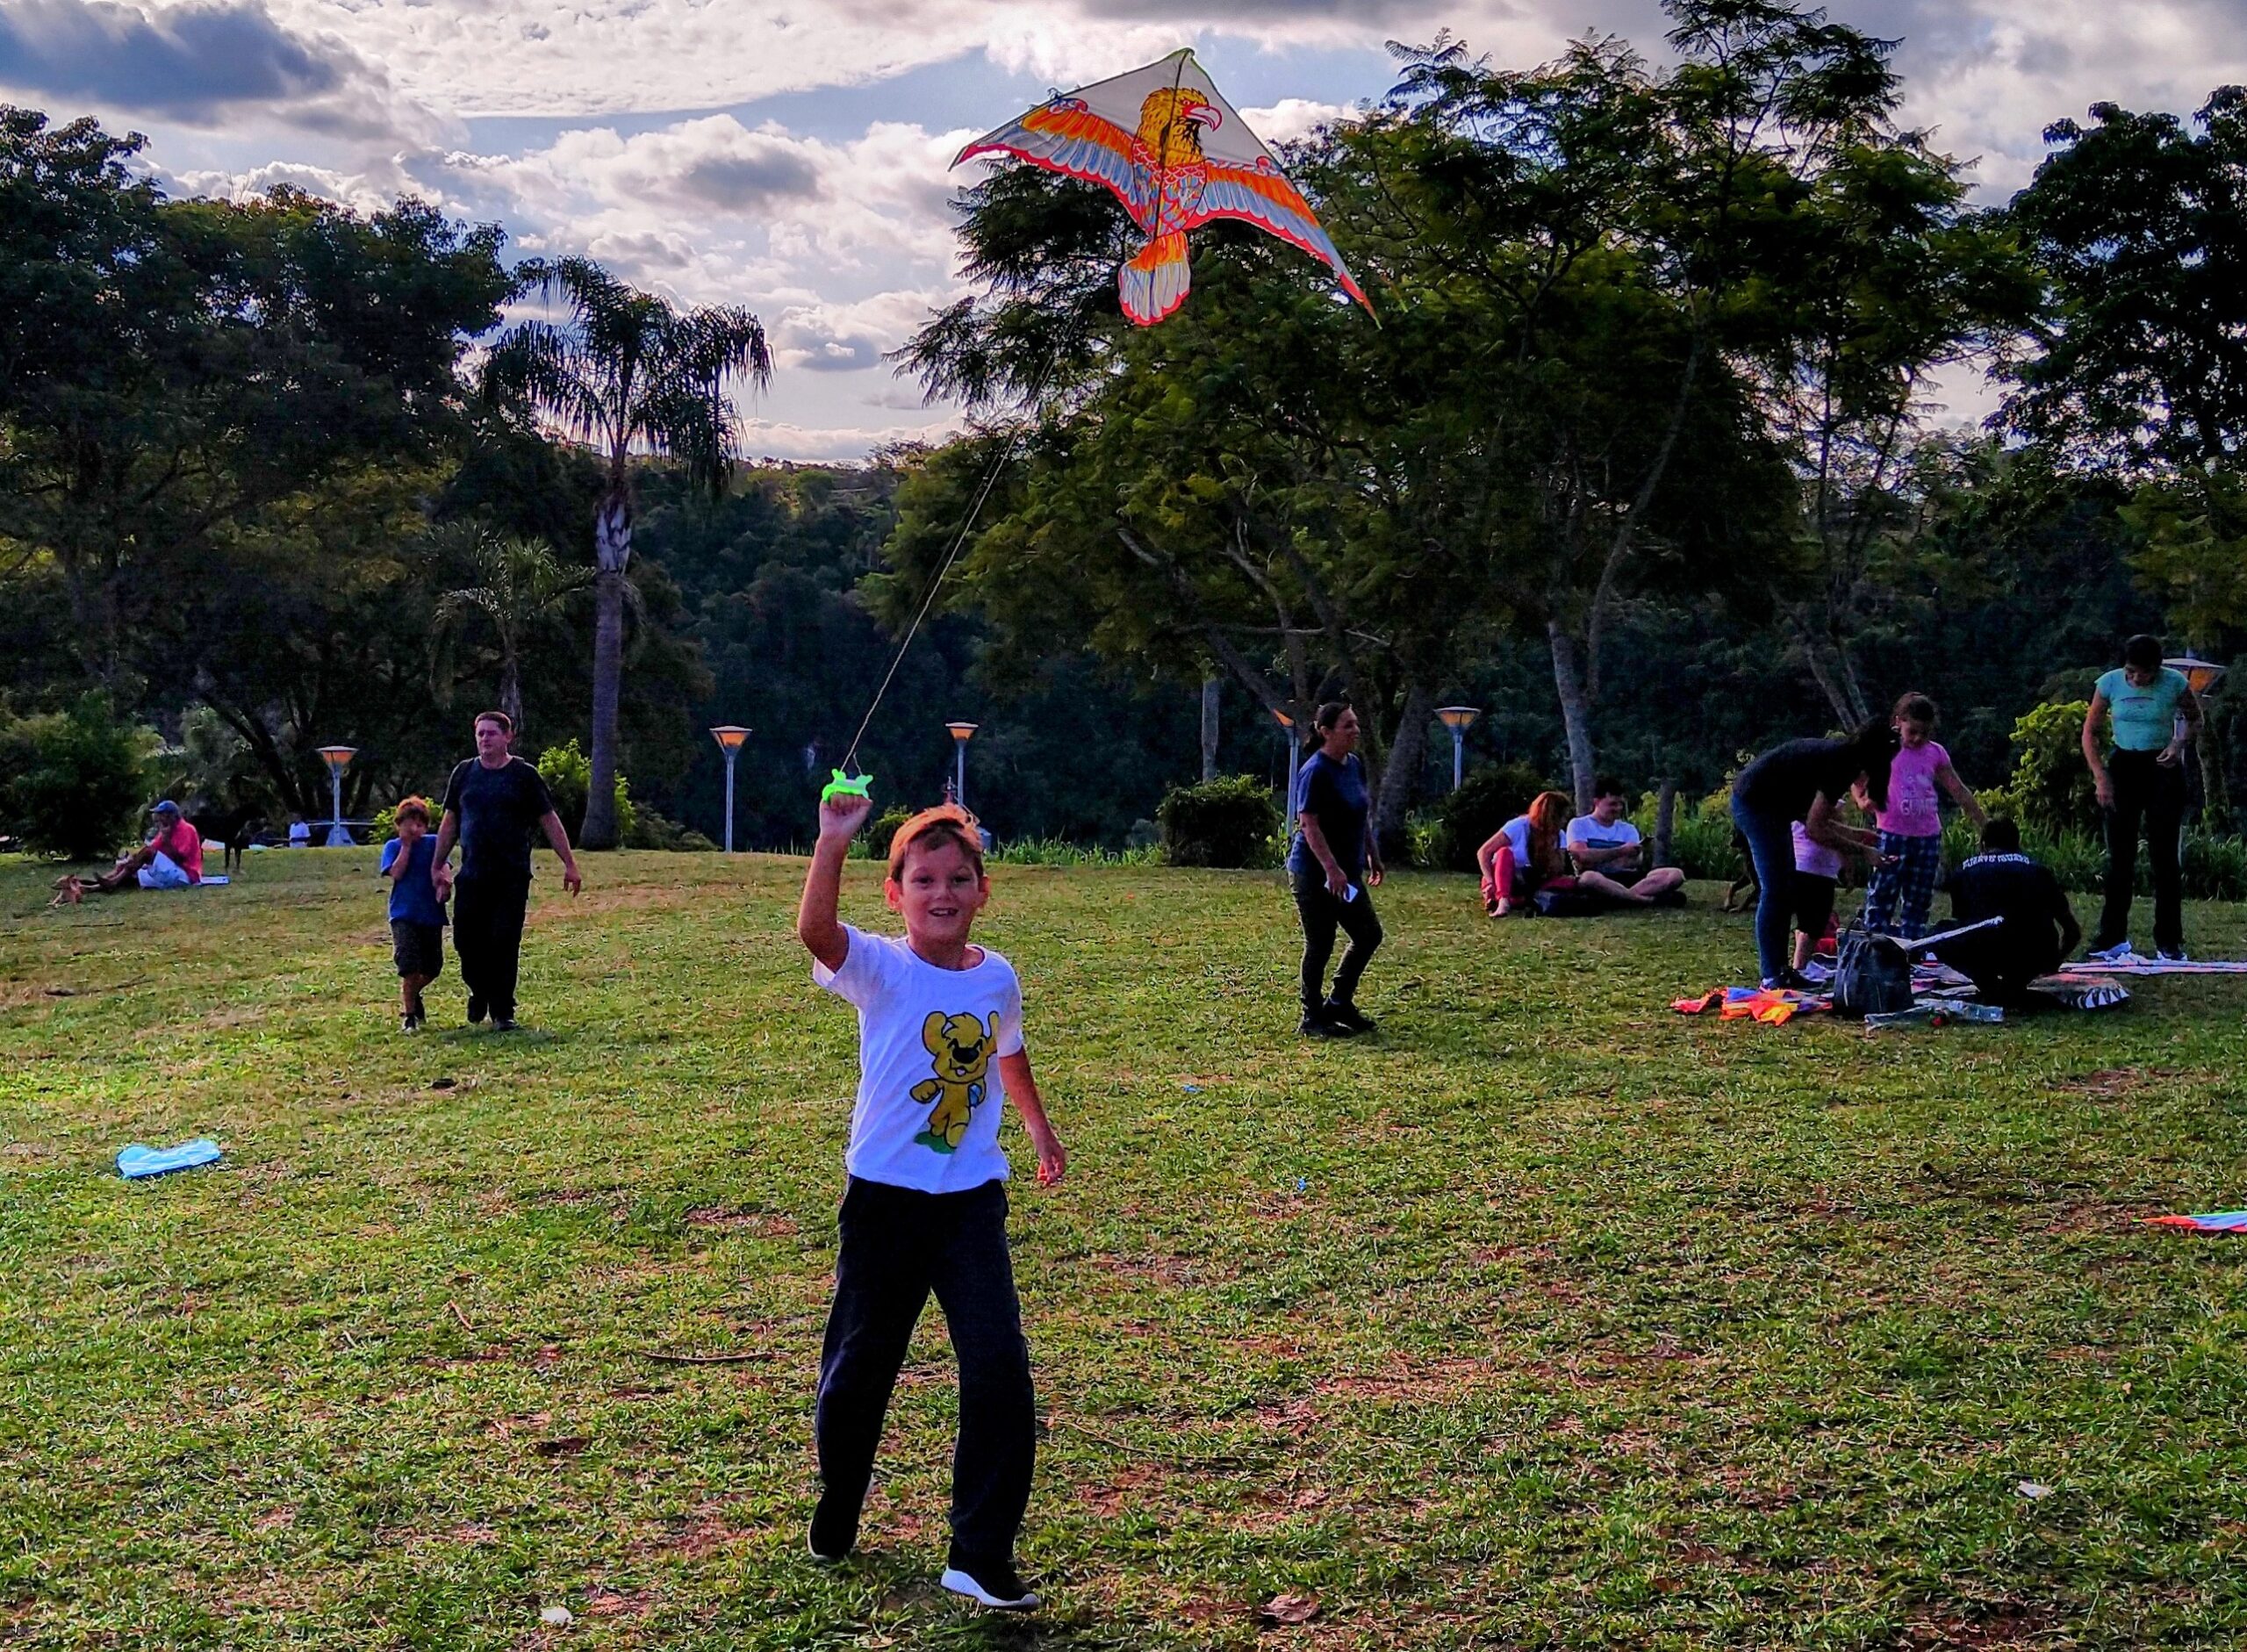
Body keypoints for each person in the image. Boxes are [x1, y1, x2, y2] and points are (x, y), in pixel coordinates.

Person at [795, 794, 1066, 1612]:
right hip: (883, 1203)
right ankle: (841, 1497)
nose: (941, 892)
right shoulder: (880, 966)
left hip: (971, 1203)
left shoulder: (998, 977)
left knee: (998, 1367)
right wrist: (832, 843)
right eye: (923, 879)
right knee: (857, 1374)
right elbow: (816, 933)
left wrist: (1039, 1130)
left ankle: (978, 1554)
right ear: (897, 893)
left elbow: (1006, 1053)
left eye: (958, 878)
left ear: (982, 889)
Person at [429, 711, 582, 1031]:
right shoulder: (464, 773)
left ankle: (502, 1010)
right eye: (480, 734)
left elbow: (548, 820)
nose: (485, 739)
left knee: (503, 940)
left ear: (507, 737)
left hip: (510, 876)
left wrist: (569, 864)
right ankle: (479, 990)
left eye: (492, 734)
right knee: (466, 940)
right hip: (472, 874)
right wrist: (437, 863)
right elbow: (450, 821)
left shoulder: (523, 775)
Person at [1731, 718, 1900, 990]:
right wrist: (1863, 852)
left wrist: (1857, 837)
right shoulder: (1841, 763)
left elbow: (1817, 820)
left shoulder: (1843, 757)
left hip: (1778, 804)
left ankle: (1781, 970)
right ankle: (1771, 975)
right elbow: (1815, 831)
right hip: (1755, 802)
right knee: (1775, 890)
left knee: (1783, 889)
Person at [2082, 634, 2201, 962]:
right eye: (2130, 671)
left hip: (2161, 767)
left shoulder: (2174, 683)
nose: (2135, 678)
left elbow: (2195, 719)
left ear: (2156, 669)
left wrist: (2177, 746)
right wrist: (2100, 776)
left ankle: (2169, 940)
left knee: (2164, 858)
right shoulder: (2108, 684)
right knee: (2120, 857)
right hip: (2123, 765)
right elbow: (2090, 732)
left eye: (2143, 673)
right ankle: (2112, 936)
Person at [1287, 701, 1384, 1037]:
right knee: (1321, 943)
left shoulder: (1353, 764)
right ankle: (1312, 1016)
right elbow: (1309, 825)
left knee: (1369, 934)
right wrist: (1331, 869)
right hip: (1315, 876)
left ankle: (1340, 1002)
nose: (1355, 730)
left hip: (1347, 875)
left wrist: (1372, 853)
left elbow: (1360, 814)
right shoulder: (1315, 771)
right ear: (1325, 732)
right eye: (1347, 725)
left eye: (1355, 723)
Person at [1859, 693, 1985, 940]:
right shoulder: (1885, 749)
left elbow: (1957, 789)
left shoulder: (1935, 753)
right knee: (1882, 896)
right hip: (1891, 834)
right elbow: (1856, 776)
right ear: (1899, 722)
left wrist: (1984, 825)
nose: (1918, 738)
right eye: (1912, 731)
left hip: (1927, 837)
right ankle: (1875, 950)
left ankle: (1912, 951)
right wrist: (1862, 800)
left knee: (1918, 900)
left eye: (1924, 733)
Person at [1931, 818, 2082, 1008]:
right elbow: (2071, 931)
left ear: (1983, 844)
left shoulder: (1964, 870)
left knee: (1939, 933)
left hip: (1981, 951)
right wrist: (2054, 961)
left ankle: (1989, 986)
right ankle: (2014, 986)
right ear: (2017, 844)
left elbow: (1964, 922)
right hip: (2030, 950)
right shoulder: (2037, 870)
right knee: (2033, 933)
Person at [379, 797, 447, 1031]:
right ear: (399, 825)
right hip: (404, 914)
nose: (414, 829)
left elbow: (443, 868)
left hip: (431, 914)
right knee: (409, 965)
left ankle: (413, 995)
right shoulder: (393, 847)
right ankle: (409, 1016)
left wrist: (444, 886)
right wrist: (406, 847)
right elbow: (396, 873)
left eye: (419, 825)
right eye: (409, 824)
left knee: (432, 967)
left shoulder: (434, 844)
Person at [1564, 779, 1687, 907]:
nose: (1618, 808)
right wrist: (1621, 851)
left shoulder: (1628, 829)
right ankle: (1644, 900)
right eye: (1612, 804)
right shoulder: (1579, 825)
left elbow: (1634, 862)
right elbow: (1582, 857)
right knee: (1589, 878)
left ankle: (1618, 898)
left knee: (1675, 875)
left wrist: (1600, 856)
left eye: (1620, 804)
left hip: (1627, 878)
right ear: (1597, 802)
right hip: (1599, 878)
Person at [1478, 790, 1571, 916]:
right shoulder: (1518, 826)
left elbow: (1557, 871)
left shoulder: (1559, 836)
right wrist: (1490, 881)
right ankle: (1502, 900)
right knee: (1504, 853)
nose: (1565, 821)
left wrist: (1552, 854)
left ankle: (1521, 901)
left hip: (1531, 882)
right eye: (1563, 817)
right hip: (1503, 879)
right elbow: (1484, 852)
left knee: (1572, 882)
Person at [90, 801, 204, 892]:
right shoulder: (166, 830)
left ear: (171, 816)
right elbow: (151, 848)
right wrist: (133, 859)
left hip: (186, 876)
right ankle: (89, 887)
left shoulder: (187, 829)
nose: (158, 819)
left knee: (146, 854)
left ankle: (113, 882)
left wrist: (167, 840)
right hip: (171, 872)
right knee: (128, 873)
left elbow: (180, 859)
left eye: (161, 815)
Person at [1789, 820, 1843, 980]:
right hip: (1815, 867)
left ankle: (1803, 964)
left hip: (1803, 861)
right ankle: (1800, 968)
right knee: (1814, 924)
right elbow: (1829, 828)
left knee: (1806, 921)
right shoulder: (1824, 798)